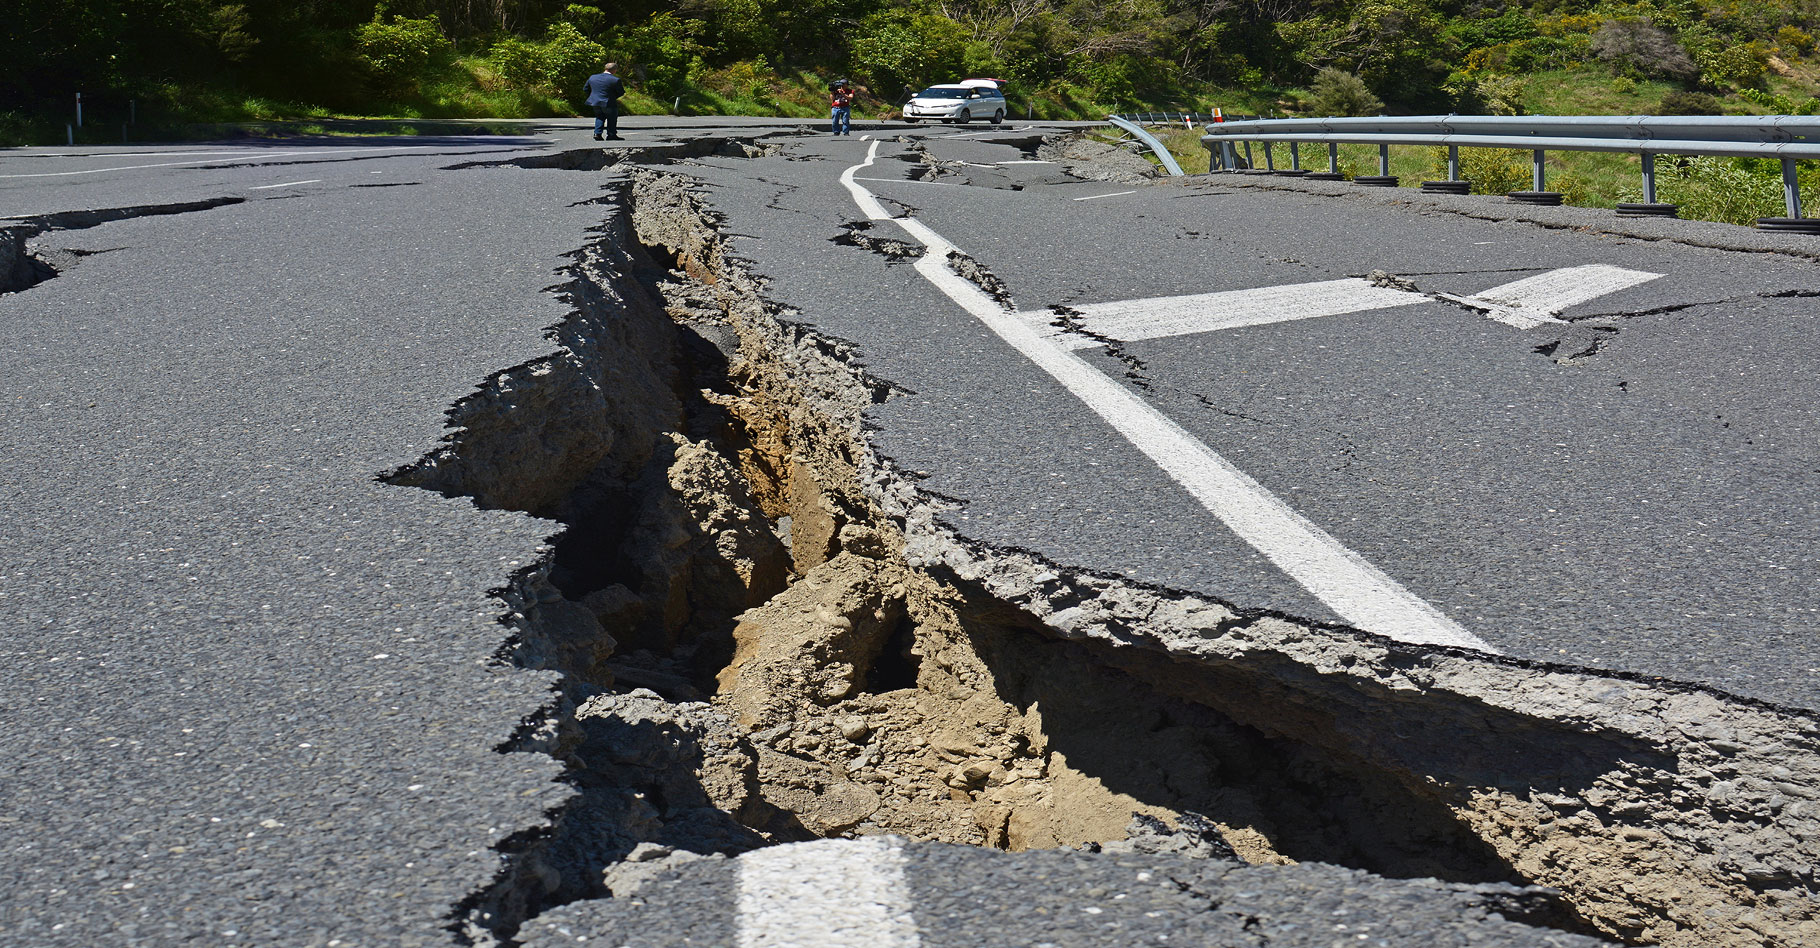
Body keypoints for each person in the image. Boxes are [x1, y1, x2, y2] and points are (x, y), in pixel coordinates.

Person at [584, 63, 625, 141]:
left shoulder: (593, 77)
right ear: (614, 70)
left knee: (599, 116)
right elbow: (621, 92)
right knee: (612, 118)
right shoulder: (615, 80)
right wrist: (613, 97)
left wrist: (593, 96)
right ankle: (611, 134)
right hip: (608, 101)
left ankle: (597, 133)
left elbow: (586, 89)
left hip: (595, 101)